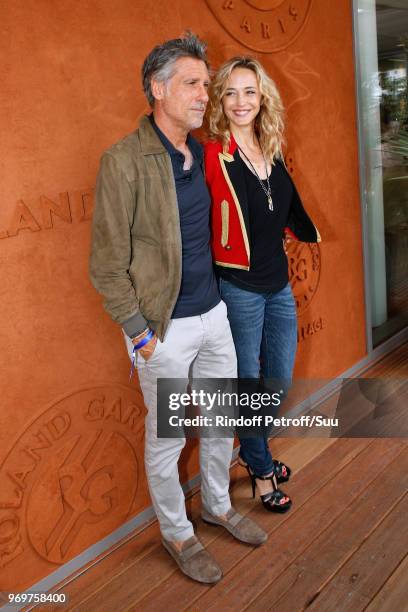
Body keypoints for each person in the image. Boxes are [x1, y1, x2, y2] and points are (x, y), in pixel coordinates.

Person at [89, 37, 267, 585]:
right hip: (163, 330)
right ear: (158, 89)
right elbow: (105, 264)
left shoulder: (205, 151)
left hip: (213, 316)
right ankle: (177, 533)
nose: (203, 94)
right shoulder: (123, 161)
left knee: (218, 425)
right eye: (193, 83)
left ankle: (217, 505)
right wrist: (140, 335)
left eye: (204, 84)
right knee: (168, 439)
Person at [204, 56, 320, 513]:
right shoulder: (214, 153)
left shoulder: (269, 144)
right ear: (219, 99)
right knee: (249, 383)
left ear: (262, 97)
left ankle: (255, 451)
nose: (240, 101)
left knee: (279, 376)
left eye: (249, 91)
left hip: (278, 283)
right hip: (240, 288)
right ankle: (261, 467)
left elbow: (281, 205)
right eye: (230, 92)